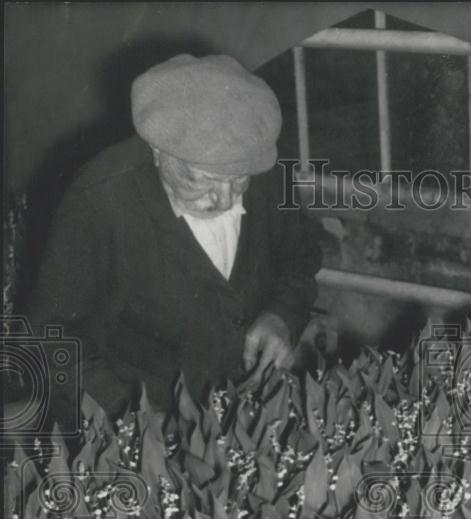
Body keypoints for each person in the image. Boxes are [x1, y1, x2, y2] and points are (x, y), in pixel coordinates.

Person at [22, 54, 322, 425]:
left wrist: (281, 316)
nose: (225, 199)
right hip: (131, 423)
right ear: (158, 152)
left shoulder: (262, 170)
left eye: (239, 180)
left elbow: (300, 256)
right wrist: (133, 418)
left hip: (242, 412)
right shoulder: (99, 202)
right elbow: (52, 340)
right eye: (201, 179)